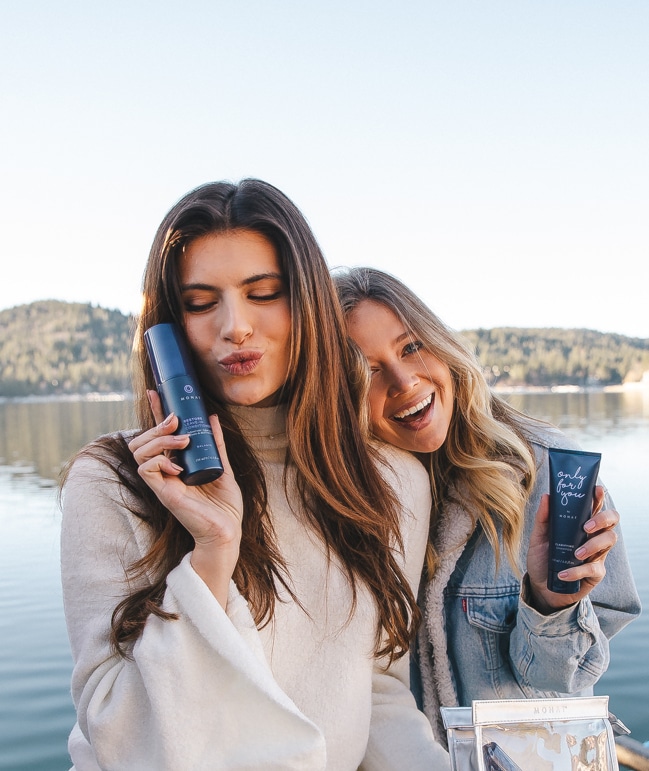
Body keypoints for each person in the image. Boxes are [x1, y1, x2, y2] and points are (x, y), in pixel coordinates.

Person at [59, 181, 450, 770]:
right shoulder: (115, 482)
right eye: (199, 303)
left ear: (311, 306)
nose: (235, 326)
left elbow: (377, 694)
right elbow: (123, 738)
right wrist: (213, 554)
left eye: (264, 293)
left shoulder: (392, 481)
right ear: (169, 328)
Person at [333, 266, 641, 745]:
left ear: (441, 344)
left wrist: (551, 603)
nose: (403, 380)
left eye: (411, 346)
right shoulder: (342, 503)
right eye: (367, 371)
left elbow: (568, 683)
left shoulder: (545, 471)